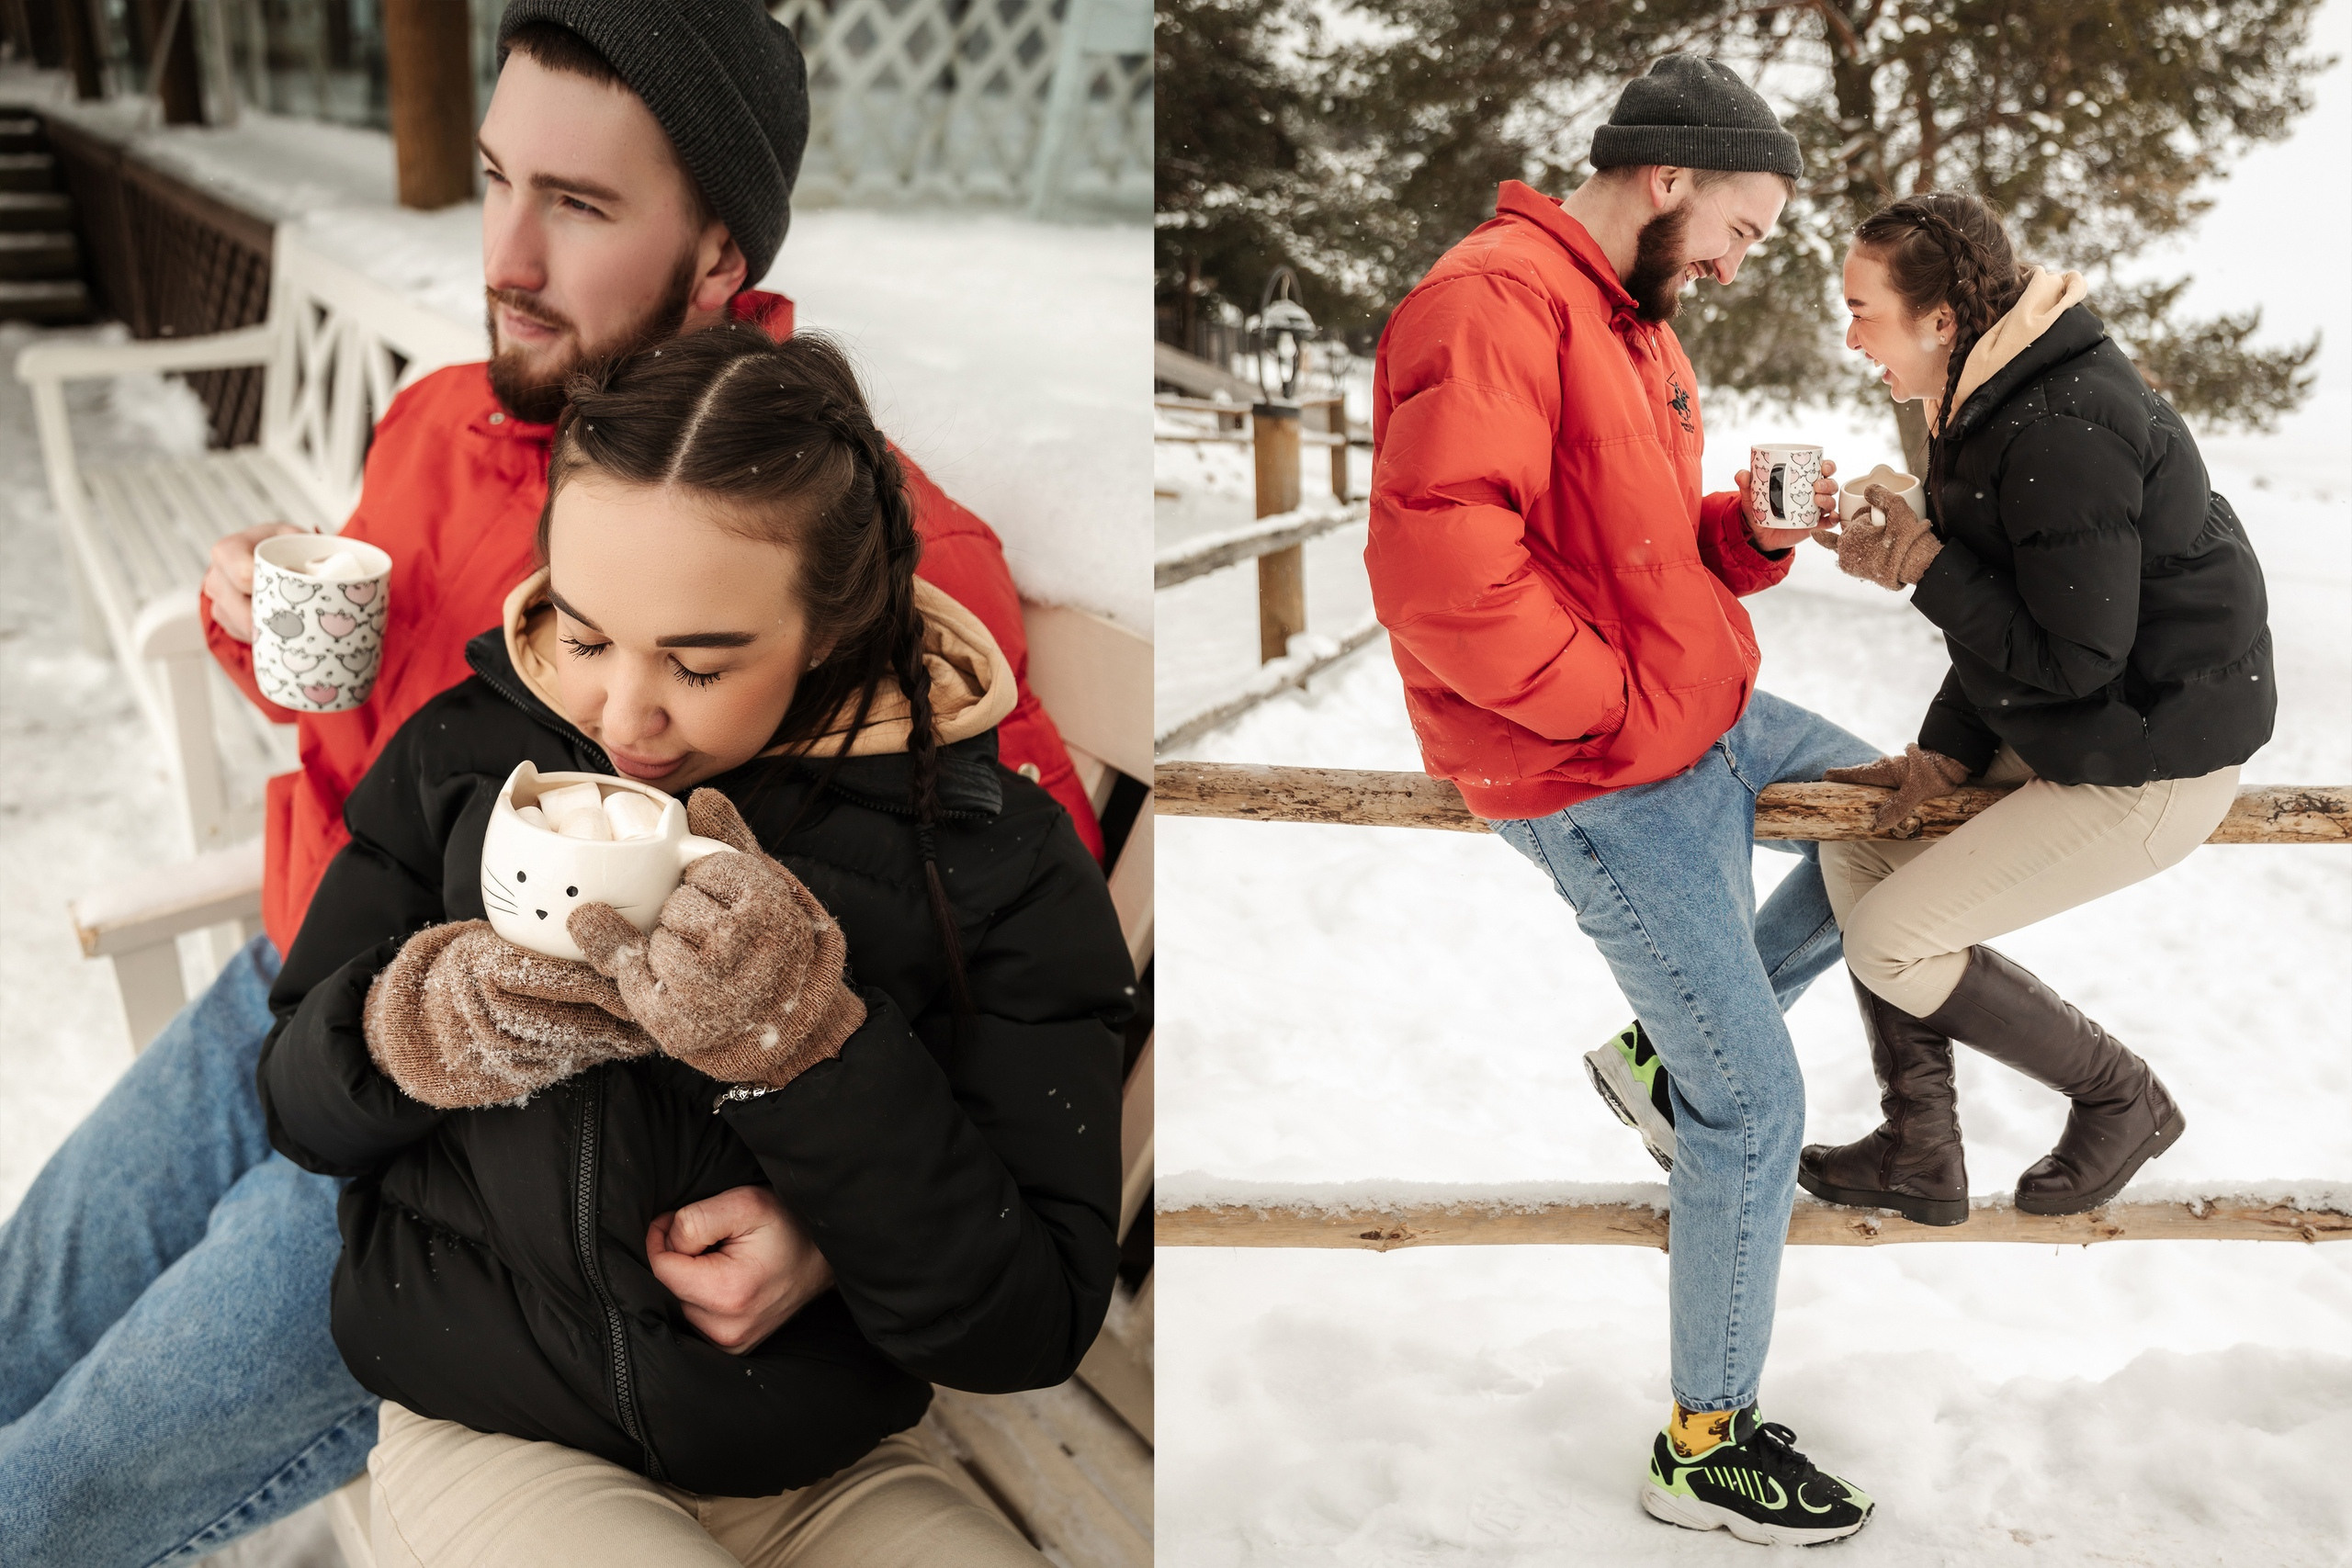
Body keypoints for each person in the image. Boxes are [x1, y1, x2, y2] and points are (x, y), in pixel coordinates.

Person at [0, 5, 1102, 1562]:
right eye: (499, 177)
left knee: (45, 1498)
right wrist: (262, 622)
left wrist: (838, 1223)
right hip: (311, 984)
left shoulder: (881, 562)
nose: (506, 253)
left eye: (578, 205)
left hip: (505, 1168)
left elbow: (987, 927)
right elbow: (378, 731)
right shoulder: (446, 420)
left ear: (720, 253)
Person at [260, 326, 1131, 1567]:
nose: (621, 712)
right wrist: (422, 1022)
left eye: (698, 660)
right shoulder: (466, 758)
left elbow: (1026, 1322)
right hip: (499, 1424)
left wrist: (813, 1072)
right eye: (587, 630)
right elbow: (296, 1102)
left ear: (831, 627)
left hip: (831, 1460)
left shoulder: (989, 859)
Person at [1365, 54, 1882, 1547]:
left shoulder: (1625, 320)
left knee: (1905, 813)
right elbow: (1444, 577)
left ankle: (1667, 1056)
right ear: (1670, 177)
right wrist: (1609, 710)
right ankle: (1705, 1443)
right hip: (1605, 768)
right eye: (1746, 225)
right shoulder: (1492, 302)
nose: (1739, 258)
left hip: (1701, 710)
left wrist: (1748, 530)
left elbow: (1627, 552)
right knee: (1759, 1109)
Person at [1786, 192, 2272, 1223]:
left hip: (2153, 760)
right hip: (2088, 722)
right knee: (1856, 848)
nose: (1850, 335)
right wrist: (1944, 754)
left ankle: (2119, 1098)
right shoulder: (1988, 403)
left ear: (1942, 322)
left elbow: (2071, 659)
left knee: (1888, 941)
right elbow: (2015, 605)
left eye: (1862, 309)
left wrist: (1922, 565)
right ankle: (1919, 1146)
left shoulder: (2059, 423)